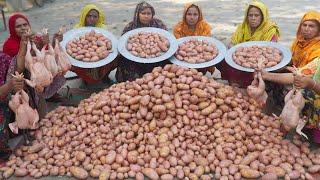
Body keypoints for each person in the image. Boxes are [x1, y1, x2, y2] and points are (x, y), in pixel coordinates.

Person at [0, 13, 66, 160]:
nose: (23, 28)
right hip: (19, 82)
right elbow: (17, 68)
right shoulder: (9, 46)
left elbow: (40, 58)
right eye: (18, 26)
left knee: (52, 66)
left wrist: (47, 42)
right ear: (12, 28)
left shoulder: (32, 39)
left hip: (31, 78)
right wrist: (25, 46)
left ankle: (45, 98)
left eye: (25, 24)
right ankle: (20, 123)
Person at [262, 11, 320, 143]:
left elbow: (299, 77)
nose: (307, 29)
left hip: (310, 84)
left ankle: (300, 123)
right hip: (303, 77)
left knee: (296, 90)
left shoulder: (318, 50)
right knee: (276, 80)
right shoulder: (298, 42)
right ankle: (279, 112)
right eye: (304, 25)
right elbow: (293, 64)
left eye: (312, 26)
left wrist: (267, 75)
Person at [217, 0, 280, 87]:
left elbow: (271, 52)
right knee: (223, 58)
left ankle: (253, 84)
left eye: (256, 15)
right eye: (250, 15)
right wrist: (238, 54)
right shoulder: (242, 27)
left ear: (263, 16)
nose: (253, 18)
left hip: (260, 62)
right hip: (242, 59)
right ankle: (234, 82)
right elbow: (232, 44)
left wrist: (254, 58)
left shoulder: (270, 30)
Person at [116, 1, 167, 82]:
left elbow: (166, 41)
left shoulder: (159, 25)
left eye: (148, 13)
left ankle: (158, 80)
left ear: (152, 14)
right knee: (123, 60)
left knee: (168, 61)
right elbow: (123, 45)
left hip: (156, 58)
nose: (146, 16)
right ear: (137, 14)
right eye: (143, 13)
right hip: (134, 60)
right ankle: (132, 82)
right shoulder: (130, 27)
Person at [72, 4, 116, 85]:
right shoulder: (77, 29)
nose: (91, 19)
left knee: (116, 56)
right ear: (84, 16)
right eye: (88, 16)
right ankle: (85, 78)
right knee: (68, 61)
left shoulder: (103, 29)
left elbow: (108, 45)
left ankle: (105, 76)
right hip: (84, 57)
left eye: (95, 16)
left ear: (98, 18)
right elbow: (74, 46)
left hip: (100, 57)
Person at [173, 3, 214, 74]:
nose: (192, 17)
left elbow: (206, 45)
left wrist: (197, 53)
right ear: (184, 15)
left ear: (199, 15)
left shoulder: (205, 27)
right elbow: (178, 46)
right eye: (189, 14)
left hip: (201, 57)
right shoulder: (178, 28)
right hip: (183, 58)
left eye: (195, 14)